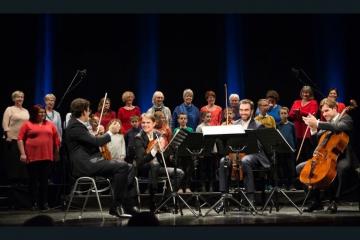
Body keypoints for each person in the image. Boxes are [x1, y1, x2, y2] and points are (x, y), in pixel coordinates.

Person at [65, 98, 138, 217]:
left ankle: (127, 205)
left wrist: (97, 136)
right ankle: (118, 206)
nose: (89, 113)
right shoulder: (75, 126)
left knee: (129, 167)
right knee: (122, 166)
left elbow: (90, 142)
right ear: (84, 111)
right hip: (86, 165)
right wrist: (110, 132)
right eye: (88, 110)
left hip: (93, 160)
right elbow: (95, 143)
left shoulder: (78, 125)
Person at [297, 98, 359, 213]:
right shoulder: (327, 123)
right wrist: (313, 129)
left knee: (340, 168)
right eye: (323, 112)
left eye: (327, 111)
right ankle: (316, 202)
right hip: (325, 157)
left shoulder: (346, 118)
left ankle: (333, 201)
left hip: (343, 155)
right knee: (300, 168)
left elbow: (337, 127)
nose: (324, 114)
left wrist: (318, 123)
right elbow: (318, 142)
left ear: (335, 109)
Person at [217, 99, 270, 208]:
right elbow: (229, 143)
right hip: (237, 154)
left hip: (255, 155)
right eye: (241, 110)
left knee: (245, 160)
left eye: (246, 110)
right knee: (223, 161)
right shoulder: (234, 124)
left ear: (251, 111)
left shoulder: (258, 125)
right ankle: (224, 198)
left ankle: (250, 199)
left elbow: (260, 146)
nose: (243, 112)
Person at [134, 113, 184, 211]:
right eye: (143, 122)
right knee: (154, 164)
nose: (145, 125)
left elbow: (163, 157)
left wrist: (165, 152)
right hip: (143, 168)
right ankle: (152, 201)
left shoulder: (158, 135)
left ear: (154, 123)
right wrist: (154, 150)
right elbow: (141, 161)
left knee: (179, 173)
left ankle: (164, 202)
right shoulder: (138, 138)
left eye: (148, 122)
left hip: (157, 167)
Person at [17, 104, 60, 211]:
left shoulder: (50, 124)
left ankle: (44, 203)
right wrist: (22, 153)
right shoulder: (27, 124)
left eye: (43, 112)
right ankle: (33, 203)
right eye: (40, 112)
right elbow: (20, 139)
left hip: (46, 156)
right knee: (33, 182)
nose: (42, 114)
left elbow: (56, 140)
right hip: (32, 157)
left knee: (45, 182)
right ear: (34, 113)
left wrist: (56, 153)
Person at [2, 90, 30, 184]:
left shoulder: (26, 110)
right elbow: (5, 124)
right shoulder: (10, 109)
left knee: (23, 161)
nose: (20, 99)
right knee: (14, 162)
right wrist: (8, 136)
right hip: (13, 139)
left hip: (24, 139)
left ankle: (23, 180)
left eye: (22, 97)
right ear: (14, 98)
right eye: (18, 97)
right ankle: (13, 182)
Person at [289, 85, 318, 163]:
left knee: (307, 151)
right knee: (297, 151)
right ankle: (297, 170)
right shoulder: (296, 102)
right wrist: (297, 113)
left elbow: (312, 114)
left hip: (307, 129)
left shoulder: (313, 102)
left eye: (307, 93)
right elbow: (290, 114)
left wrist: (300, 112)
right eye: (304, 92)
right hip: (297, 129)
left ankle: (306, 170)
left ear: (310, 93)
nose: (305, 94)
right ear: (301, 93)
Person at [277, 106, 297, 190]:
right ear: (279, 115)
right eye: (281, 113)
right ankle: (284, 184)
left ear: (288, 114)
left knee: (291, 167)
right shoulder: (278, 125)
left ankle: (292, 184)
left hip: (290, 150)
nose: (283, 115)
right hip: (281, 150)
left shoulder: (291, 125)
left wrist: (294, 147)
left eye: (285, 113)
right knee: (282, 168)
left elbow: (294, 137)